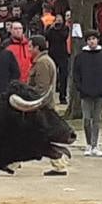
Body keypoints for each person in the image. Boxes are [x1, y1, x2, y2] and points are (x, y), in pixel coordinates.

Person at [25, 35, 67, 176]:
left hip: (42, 107)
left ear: (37, 47)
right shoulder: (43, 61)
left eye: (30, 46)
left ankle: (59, 164)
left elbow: (41, 89)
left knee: (44, 137)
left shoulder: (42, 63)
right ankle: (13, 164)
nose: (29, 49)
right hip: (43, 107)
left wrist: (27, 97)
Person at [72, 30, 102, 157]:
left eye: (94, 39)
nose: (92, 41)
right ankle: (88, 144)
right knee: (86, 119)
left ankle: (95, 144)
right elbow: (76, 75)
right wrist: (80, 88)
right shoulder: (80, 56)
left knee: (96, 119)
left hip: (100, 92)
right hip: (86, 93)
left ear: (98, 40)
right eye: (89, 39)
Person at [43, 13, 71, 105]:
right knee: (51, 76)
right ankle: (50, 96)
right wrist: (52, 27)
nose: (58, 21)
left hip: (63, 55)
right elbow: (46, 36)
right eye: (57, 19)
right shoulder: (50, 28)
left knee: (64, 76)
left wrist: (58, 29)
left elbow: (64, 36)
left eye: (60, 19)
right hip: (52, 54)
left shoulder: (65, 28)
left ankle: (63, 96)